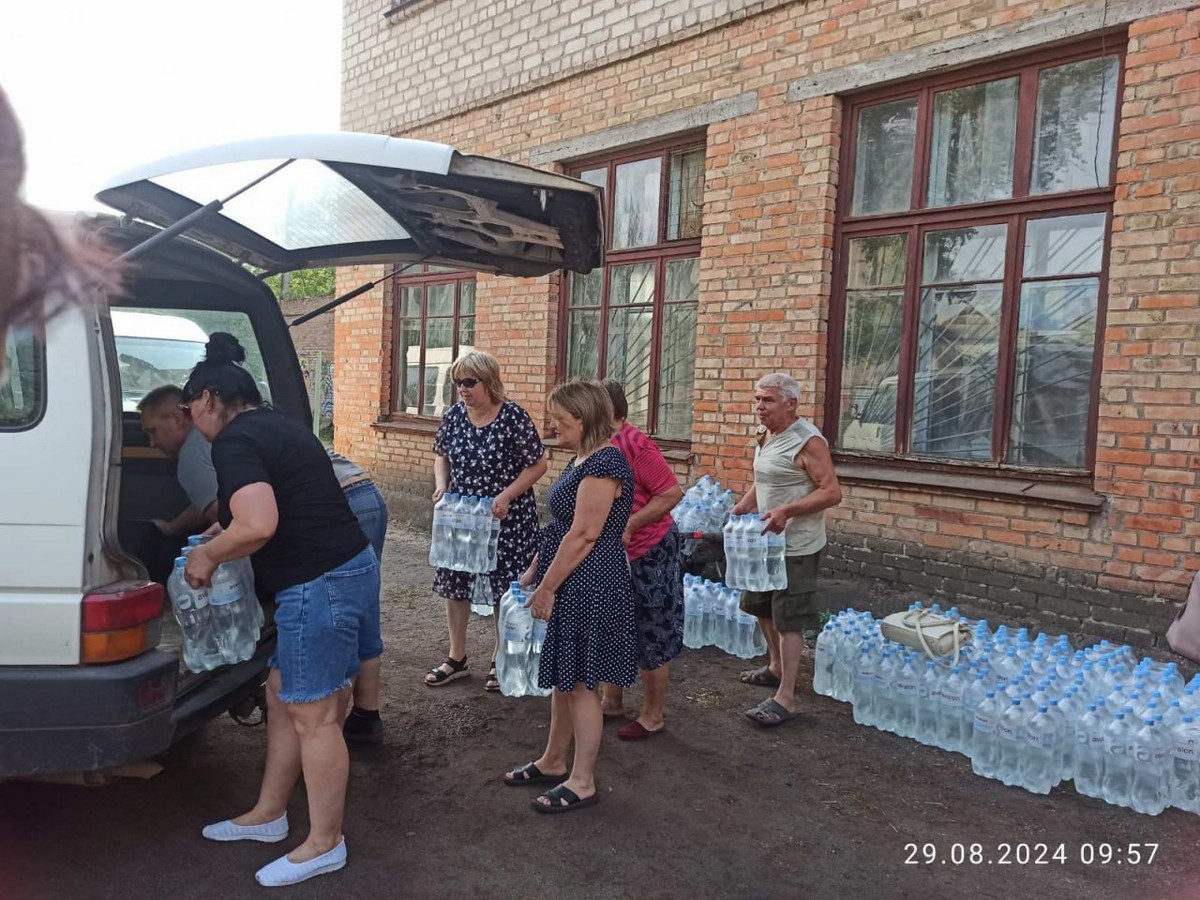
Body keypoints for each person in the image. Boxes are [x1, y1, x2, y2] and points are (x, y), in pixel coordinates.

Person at [181, 334, 378, 887]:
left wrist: (207, 554)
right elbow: (283, 499)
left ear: (209, 396)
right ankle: (269, 815)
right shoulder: (281, 424)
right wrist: (228, 528)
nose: (190, 417)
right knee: (282, 690)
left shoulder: (233, 442)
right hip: (344, 567)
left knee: (315, 715)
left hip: (321, 582)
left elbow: (260, 525)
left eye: (189, 406)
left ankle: (324, 842)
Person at [503, 380, 637, 813]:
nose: (553, 426)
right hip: (571, 578)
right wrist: (533, 572)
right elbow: (562, 528)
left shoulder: (606, 463)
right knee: (565, 678)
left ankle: (583, 780)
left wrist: (546, 587)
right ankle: (554, 759)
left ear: (584, 419)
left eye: (560, 420)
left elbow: (583, 535)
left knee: (580, 683)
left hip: (589, 581)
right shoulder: (584, 458)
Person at [426, 350, 546, 692]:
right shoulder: (453, 417)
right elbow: (441, 455)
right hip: (463, 518)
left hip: (507, 517)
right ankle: (457, 657)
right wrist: (441, 487)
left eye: (469, 382)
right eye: (457, 383)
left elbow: (538, 465)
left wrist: (507, 496)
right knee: (455, 583)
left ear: (489, 381)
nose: (462, 389)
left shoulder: (513, 417)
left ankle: (499, 658)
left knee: (503, 587)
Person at [733, 373, 842, 727]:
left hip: (796, 546)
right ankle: (775, 666)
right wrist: (745, 505)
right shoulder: (766, 434)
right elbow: (765, 477)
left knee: (789, 619)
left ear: (790, 403)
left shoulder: (808, 442)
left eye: (767, 400)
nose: (759, 407)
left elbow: (831, 492)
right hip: (764, 541)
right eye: (757, 399)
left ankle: (787, 698)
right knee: (760, 606)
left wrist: (787, 511)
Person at [597, 379, 685, 741]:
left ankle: (652, 715)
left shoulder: (635, 443)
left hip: (649, 550)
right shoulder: (599, 444)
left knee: (651, 630)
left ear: (610, 410)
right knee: (611, 625)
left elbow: (670, 493)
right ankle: (611, 701)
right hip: (613, 551)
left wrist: (631, 523)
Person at [327, 449, 390, 745]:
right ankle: (366, 716)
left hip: (344, 502)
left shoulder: (231, 442)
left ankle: (329, 733)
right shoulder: (282, 426)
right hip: (366, 492)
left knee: (343, 609)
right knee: (363, 602)